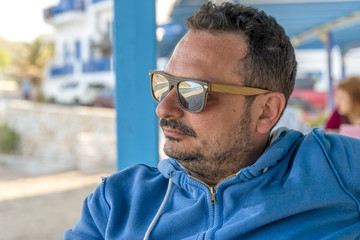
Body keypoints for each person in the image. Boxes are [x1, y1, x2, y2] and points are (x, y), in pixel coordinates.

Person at [64, 2, 360, 239]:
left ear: (266, 110)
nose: (163, 109)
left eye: (192, 91)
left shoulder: (334, 166)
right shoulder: (118, 202)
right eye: (164, 84)